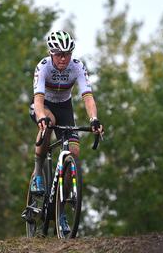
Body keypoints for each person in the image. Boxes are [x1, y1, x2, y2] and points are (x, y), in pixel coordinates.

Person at [29, 30, 103, 234]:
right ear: (51, 53)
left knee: (74, 153)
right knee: (48, 123)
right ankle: (37, 173)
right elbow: (38, 99)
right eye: (59, 54)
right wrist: (42, 116)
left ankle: (60, 212)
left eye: (67, 54)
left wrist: (94, 119)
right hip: (44, 105)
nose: (63, 58)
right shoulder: (43, 67)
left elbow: (87, 96)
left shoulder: (77, 67)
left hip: (65, 107)